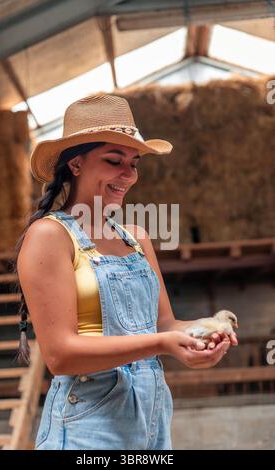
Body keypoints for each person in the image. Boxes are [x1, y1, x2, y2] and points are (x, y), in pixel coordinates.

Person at [14, 94, 237, 450]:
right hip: (88, 422)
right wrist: (163, 344)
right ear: (75, 164)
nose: (128, 174)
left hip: (150, 417)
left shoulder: (136, 237)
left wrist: (204, 333)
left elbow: (164, 325)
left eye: (134, 163)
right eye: (114, 160)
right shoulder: (50, 236)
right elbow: (60, 355)